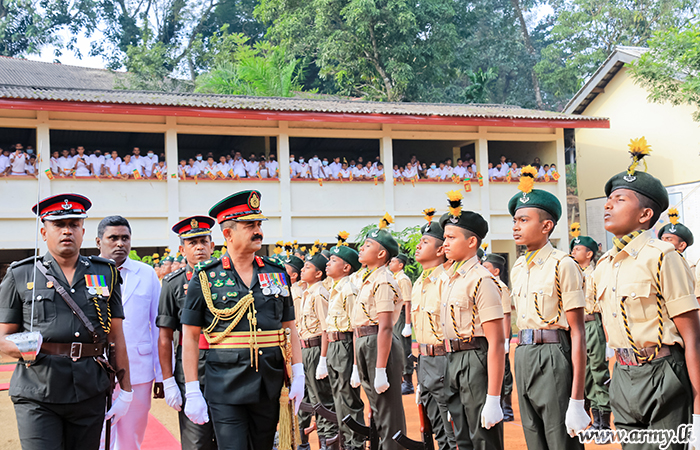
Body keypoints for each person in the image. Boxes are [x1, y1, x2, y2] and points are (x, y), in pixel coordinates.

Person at [0, 193, 133, 450]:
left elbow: (116, 336)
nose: (67, 231)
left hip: (89, 389)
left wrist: (126, 390)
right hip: (37, 390)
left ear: (83, 231)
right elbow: (2, 338)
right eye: (58, 225)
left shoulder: (105, 272)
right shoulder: (20, 274)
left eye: (73, 225)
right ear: (43, 231)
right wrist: (23, 346)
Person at [594, 139, 700, 449]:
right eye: (609, 198)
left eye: (620, 199)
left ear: (644, 215)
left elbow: (692, 336)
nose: (608, 205)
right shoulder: (604, 265)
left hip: (663, 372)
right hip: (623, 375)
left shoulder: (663, 256)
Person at [181, 190, 305, 450]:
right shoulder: (205, 277)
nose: (258, 231)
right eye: (250, 225)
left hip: (268, 383)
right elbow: (190, 336)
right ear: (228, 234)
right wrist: (192, 389)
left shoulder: (276, 272)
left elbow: (289, 326)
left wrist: (299, 372)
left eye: (259, 224)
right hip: (225, 383)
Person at [508, 166, 589, 450]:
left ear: (546, 226)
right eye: (515, 220)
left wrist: (578, 399)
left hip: (553, 354)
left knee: (559, 438)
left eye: (523, 220)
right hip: (523, 353)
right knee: (533, 435)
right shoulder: (518, 267)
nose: (516, 226)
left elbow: (578, 332)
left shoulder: (562, 264)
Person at [439, 192, 505, 450]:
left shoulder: (481, 279)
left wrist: (493, 397)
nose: (444, 243)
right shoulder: (452, 278)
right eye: (444, 237)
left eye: (451, 237)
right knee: (461, 438)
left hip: (475, 359)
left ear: (471, 241)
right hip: (452, 359)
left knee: (483, 438)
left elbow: (497, 341)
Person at [96, 216, 163, 450]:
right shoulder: (87, 273)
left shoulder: (147, 274)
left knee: (131, 440)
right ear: (98, 241)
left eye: (125, 238)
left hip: (138, 371)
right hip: (96, 370)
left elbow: (157, 326)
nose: (120, 243)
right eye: (113, 238)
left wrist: (163, 374)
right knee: (97, 437)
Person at [157, 216, 217, 449]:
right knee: (197, 442)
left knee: (229, 438)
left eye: (204, 241)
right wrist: (169, 379)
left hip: (227, 366)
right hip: (191, 371)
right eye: (192, 242)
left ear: (213, 245)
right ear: (182, 249)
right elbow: (165, 336)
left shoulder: (227, 278)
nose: (199, 247)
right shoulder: (173, 284)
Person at [351, 216, 406, 450]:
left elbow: (384, 326)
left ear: (382, 254)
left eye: (367, 246)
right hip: (366, 341)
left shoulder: (383, 280)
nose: (361, 249)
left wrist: (381, 369)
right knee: (376, 406)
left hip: (378, 343)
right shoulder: (367, 280)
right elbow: (357, 325)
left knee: (387, 411)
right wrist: (356, 364)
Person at [411, 212, 457, 450]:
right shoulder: (420, 282)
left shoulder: (447, 281)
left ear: (441, 250)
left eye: (426, 242)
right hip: (425, 360)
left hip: (443, 359)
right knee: (436, 428)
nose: (418, 246)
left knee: (452, 429)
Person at [322, 244, 366, 450]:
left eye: (333, 261)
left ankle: (355, 443)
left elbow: (356, 328)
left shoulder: (349, 290)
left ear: (346, 267)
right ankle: (345, 440)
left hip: (345, 345)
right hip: (333, 344)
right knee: (338, 395)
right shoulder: (334, 288)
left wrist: (356, 365)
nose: (328, 264)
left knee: (348, 396)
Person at [568, 225, 610, 433]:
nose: (573, 252)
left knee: (597, 372)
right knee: (581, 372)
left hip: (592, 324)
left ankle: (603, 421)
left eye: (578, 249)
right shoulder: (571, 273)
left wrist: (608, 338)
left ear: (589, 253)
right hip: (576, 327)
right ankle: (588, 417)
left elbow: (603, 306)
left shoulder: (596, 274)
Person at [299, 252, 338, 450]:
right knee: (311, 398)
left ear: (318, 273)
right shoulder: (307, 293)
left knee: (321, 399)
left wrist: (323, 359)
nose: (302, 269)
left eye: (307, 267)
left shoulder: (320, 294)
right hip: (305, 349)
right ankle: (321, 440)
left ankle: (328, 441)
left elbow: (325, 329)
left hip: (315, 349)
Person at [481, 253, 514, 422]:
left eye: (486, 267)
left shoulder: (502, 287)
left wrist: (507, 340)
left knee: (505, 373)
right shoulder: (485, 285)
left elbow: (507, 315)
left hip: (501, 337)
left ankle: (507, 408)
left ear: (496, 270)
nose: (483, 269)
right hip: (488, 337)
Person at [388, 254, 414, 395]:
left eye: (393, 261)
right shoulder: (394, 278)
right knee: (396, 348)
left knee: (403, 349)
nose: (390, 263)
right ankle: (401, 380)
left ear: (400, 265)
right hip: (395, 314)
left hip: (402, 315)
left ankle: (408, 382)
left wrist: (407, 324)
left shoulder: (403, 280)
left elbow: (407, 302)